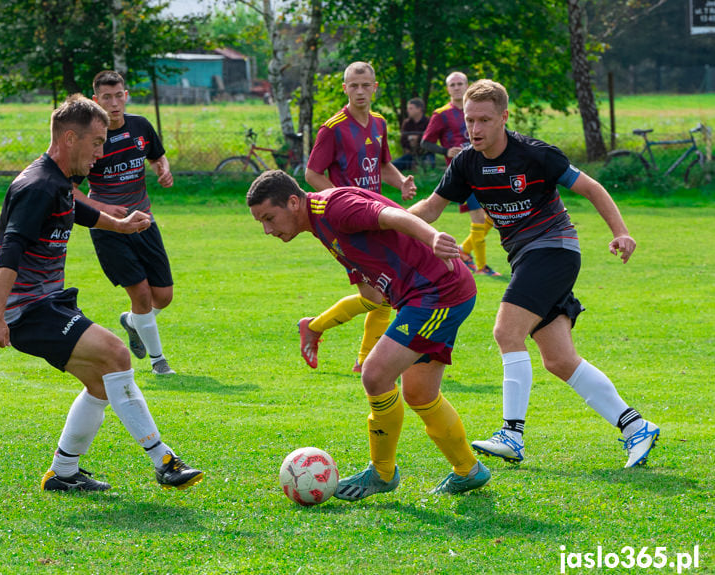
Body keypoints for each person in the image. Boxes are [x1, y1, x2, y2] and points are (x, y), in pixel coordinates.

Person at [410, 79, 659, 469]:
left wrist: (621, 232)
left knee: (506, 331)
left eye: (484, 120)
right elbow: (429, 209)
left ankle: (511, 433)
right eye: (469, 120)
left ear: (504, 118)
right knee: (558, 359)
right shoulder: (466, 163)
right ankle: (636, 427)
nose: (474, 129)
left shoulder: (535, 155)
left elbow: (591, 187)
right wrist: (382, 221)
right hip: (526, 259)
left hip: (554, 251)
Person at [0, 94, 203, 492]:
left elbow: (76, 210)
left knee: (101, 384)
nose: (101, 153)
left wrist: (119, 225)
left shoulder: (58, 182)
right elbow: (10, 248)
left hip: (46, 303)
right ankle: (164, 461)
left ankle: (63, 473)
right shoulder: (38, 185)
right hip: (29, 310)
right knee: (118, 353)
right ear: (70, 138)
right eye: (97, 142)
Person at [248, 170, 490, 498]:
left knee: (375, 375)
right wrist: (318, 325)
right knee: (419, 394)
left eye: (269, 218)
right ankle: (468, 470)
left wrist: (432, 237)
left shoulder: (333, 208)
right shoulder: (320, 226)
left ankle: (382, 473)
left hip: (437, 291)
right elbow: (372, 296)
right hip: (425, 296)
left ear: (293, 202)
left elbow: (390, 216)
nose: (267, 230)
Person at [303, 61, 418, 374]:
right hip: (347, 224)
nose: (360, 91)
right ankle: (315, 327)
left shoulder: (379, 123)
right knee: (375, 295)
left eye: (366, 85)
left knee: (383, 294)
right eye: (353, 85)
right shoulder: (333, 128)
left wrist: (402, 182)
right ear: (345, 89)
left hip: (375, 217)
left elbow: (382, 166)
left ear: (375, 88)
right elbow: (312, 173)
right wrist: (338, 202)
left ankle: (364, 360)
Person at [72, 70, 177, 376]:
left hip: (144, 220)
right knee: (141, 294)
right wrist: (103, 208)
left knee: (164, 295)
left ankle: (133, 321)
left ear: (126, 95)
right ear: (96, 100)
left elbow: (157, 156)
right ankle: (159, 363)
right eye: (106, 97)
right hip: (108, 228)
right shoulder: (91, 139)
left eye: (119, 96)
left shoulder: (141, 126)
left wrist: (163, 170)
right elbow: (71, 188)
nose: (114, 103)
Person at [421, 72, 499, 277]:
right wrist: (445, 151)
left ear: (467, 86)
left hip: (485, 168)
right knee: (479, 220)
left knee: (492, 216)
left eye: (460, 84)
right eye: (453, 85)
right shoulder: (442, 114)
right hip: (464, 173)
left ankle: (464, 251)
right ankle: (482, 268)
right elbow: (426, 142)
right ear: (448, 89)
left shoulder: (478, 110)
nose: (457, 87)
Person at [391, 98, 431, 171]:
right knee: (393, 166)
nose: (408, 110)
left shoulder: (428, 122)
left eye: (411, 108)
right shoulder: (407, 123)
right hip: (410, 155)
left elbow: (431, 139)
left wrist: (417, 139)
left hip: (426, 153)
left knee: (430, 166)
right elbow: (402, 140)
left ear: (419, 109)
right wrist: (411, 141)